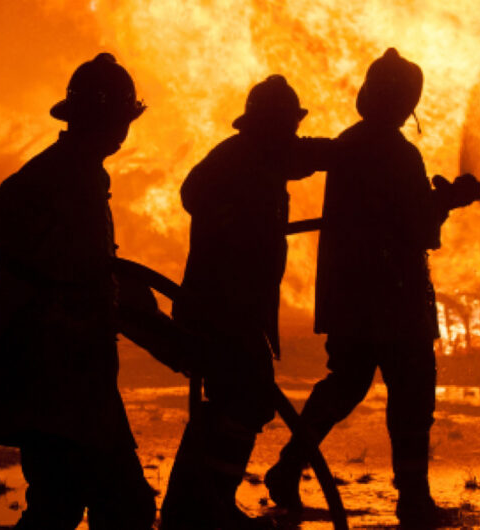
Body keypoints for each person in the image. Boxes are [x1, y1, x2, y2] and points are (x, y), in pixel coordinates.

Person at [263, 49, 480, 528]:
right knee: (411, 394)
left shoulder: (351, 143)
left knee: (346, 383)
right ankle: (413, 501)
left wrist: (437, 199)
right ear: (407, 102)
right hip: (395, 299)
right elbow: (418, 229)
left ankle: (287, 467)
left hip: (349, 296)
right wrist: (450, 199)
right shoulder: (399, 153)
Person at [0, 53, 156, 529]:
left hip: (76, 379)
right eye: (120, 119)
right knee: (80, 505)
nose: (123, 130)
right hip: (51, 376)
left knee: (107, 506)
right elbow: (1, 221)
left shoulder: (79, 172)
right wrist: (65, 278)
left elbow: (99, 270)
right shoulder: (57, 174)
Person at [159, 75, 330, 529]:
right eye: (287, 126)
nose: (293, 134)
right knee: (247, 400)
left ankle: (198, 505)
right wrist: (234, 218)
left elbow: (315, 154)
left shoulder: (267, 158)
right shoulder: (237, 159)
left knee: (234, 403)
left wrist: (363, 151)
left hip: (239, 310)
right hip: (220, 309)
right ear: (269, 126)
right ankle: (204, 506)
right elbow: (192, 193)